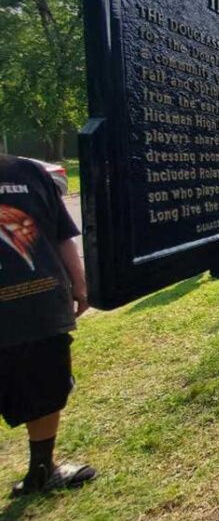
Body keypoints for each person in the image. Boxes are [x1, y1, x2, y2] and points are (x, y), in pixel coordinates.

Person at [0, 155, 96, 496]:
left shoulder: (29, 173)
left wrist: (80, 284)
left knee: (45, 385)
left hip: (39, 305)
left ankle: (42, 468)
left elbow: (60, 234)